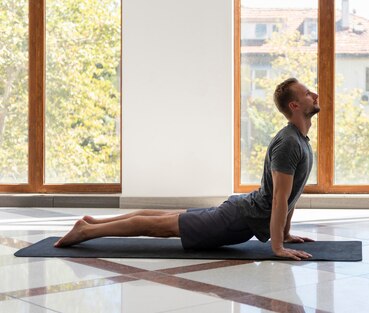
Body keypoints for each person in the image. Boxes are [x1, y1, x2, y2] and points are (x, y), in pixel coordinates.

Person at [55, 77, 320, 261]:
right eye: (308, 93)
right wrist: (277, 247)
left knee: (162, 217)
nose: (315, 94)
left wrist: (285, 235)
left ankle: (92, 222)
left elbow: (289, 195)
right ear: (294, 105)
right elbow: (279, 199)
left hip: (240, 213)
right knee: (160, 227)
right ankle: (87, 232)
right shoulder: (289, 143)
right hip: (237, 219)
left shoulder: (299, 140)